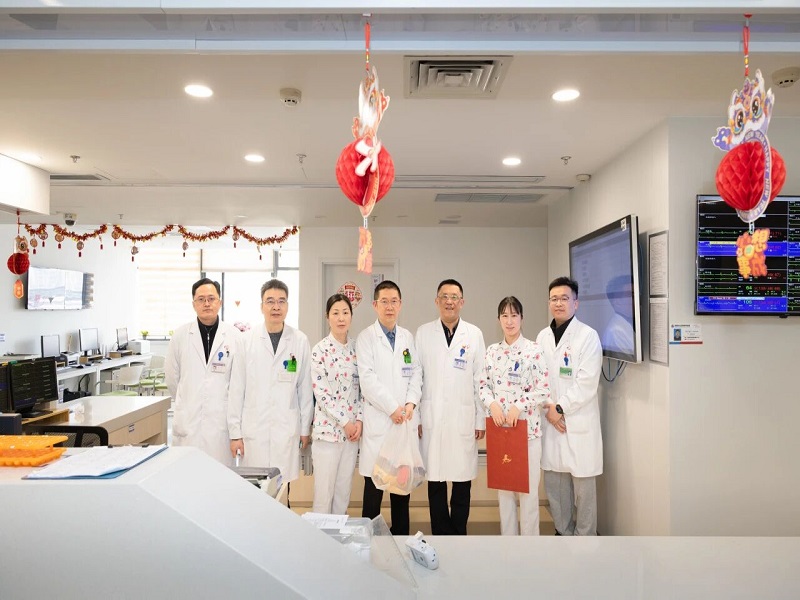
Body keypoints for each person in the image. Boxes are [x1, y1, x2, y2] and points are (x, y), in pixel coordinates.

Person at [228, 279, 313, 494]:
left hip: (286, 428)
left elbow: (304, 389)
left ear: (287, 306)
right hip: (254, 429)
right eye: (270, 301)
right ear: (261, 306)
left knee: (282, 491)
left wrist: (305, 429)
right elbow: (236, 389)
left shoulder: (299, 340)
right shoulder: (246, 341)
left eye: (281, 301)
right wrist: (235, 433)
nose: (276, 307)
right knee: (254, 491)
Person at [415, 279, 486, 535]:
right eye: (444, 297)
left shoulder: (474, 334)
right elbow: (416, 377)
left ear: (462, 302)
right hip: (432, 416)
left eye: (454, 297)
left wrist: (480, 419)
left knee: (461, 480)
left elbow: (481, 379)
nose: (449, 301)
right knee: (435, 481)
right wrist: (417, 418)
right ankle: (440, 535)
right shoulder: (423, 333)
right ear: (437, 301)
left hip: (462, 417)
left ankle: (459, 533)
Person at [536, 276, 603, 536]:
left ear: (576, 303)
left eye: (564, 298)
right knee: (555, 485)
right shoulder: (542, 337)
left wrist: (559, 408)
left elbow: (587, 382)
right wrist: (549, 408)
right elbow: (537, 377)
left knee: (584, 491)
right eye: (554, 298)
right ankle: (563, 533)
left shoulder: (588, 336)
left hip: (576, 421)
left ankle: (585, 538)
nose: (559, 303)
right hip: (551, 419)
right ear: (548, 303)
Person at [479, 296, 550, 536]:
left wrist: (519, 406)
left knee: (528, 494)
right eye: (505, 316)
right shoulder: (492, 352)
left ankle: (530, 548)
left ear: (522, 318)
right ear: (498, 319)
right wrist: (492, 404)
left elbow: (543, 389)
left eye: (514, 315)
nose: (509, 321)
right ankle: (507, 545)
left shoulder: (534, 350)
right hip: (500, 433)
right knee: (505, 493)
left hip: (527, 433)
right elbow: (482, 386)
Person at [356, 280, 422, 535]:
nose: (389, 306)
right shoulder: (366, 338)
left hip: (403, 422)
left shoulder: (407, 337)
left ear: (400, 304)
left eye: (394, 301)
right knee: (373, 493)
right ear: (375, 305)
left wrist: (410, 403)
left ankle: (402, 541)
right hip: (381, 422)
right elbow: (368, 380)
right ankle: (368, 543)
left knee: (400, 491)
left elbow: (416, 373)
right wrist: (393, 408)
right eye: (384, 301)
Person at [166, 277, 240, 465]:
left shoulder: (234, 337)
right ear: (193, 304)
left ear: (220, 302)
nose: (207, 303)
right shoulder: (180, 336)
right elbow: (172, 379)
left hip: (220, 423)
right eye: (201, 299)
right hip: (188, 422)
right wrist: (188, 400)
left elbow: (238, 384)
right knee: (187, 474)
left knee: (219, 475)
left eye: (211, 298)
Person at [310, 293, 363, 514]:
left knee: (343, 493)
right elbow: (322, 394)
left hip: (351, 436)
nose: (341, 318)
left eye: (345, 313)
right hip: (327, 435)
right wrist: (345, 422)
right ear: (327, 317)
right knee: (324, 495)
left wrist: (359, 421)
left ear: (351, 316)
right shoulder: (319, 351)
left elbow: (364, 390)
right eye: (335, 313)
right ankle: (319, 536)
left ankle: (339, 535)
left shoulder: (358, 349)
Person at [601, 275, 634, 356]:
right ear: (617, 302)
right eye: (631, 295)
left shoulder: (629, 323)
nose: (637, 299)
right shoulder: (616, 332)